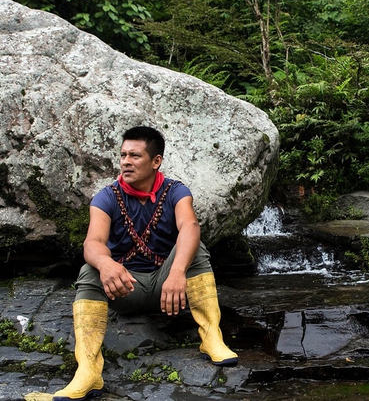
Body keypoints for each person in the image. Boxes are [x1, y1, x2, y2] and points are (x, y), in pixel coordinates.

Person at [31, 126, 238, 401]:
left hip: (170, 289)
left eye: (135, 156)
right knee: (89, 271)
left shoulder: (176, 191)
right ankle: (89, 370)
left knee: (195, 248)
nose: (126, 161)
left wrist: (177, 273)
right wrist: (106, 264)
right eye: (123, 155)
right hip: (126, 288)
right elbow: (92, 243)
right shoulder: (106, 197)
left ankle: (212, 336)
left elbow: (189, 225)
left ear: (156, 161)